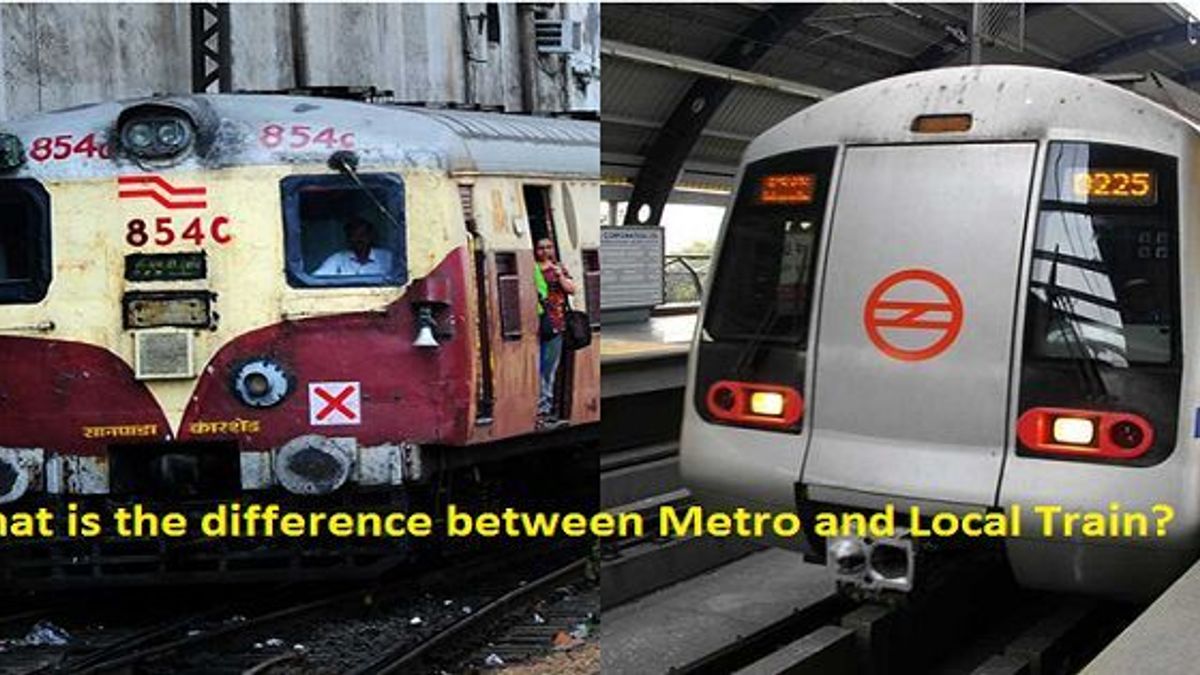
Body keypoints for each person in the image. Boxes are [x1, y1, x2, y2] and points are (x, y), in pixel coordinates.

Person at [534, 237, 576, 427]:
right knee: (537, 367)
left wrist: (560, 276)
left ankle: (544, 407)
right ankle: (539, 406)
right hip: (534, 322)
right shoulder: (532, 269)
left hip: (554, 323)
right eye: (541, 248)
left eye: (548, 247)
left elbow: (572, 289)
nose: (544, 251)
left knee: (548, 368)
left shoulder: (559, 269)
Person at [314, 217, 392, 276]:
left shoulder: (387, 258)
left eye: (362, 235)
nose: (359, 239)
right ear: (348, 239)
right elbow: (317, 279)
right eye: (354, 236)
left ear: (370, 236)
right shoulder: (338, 259)